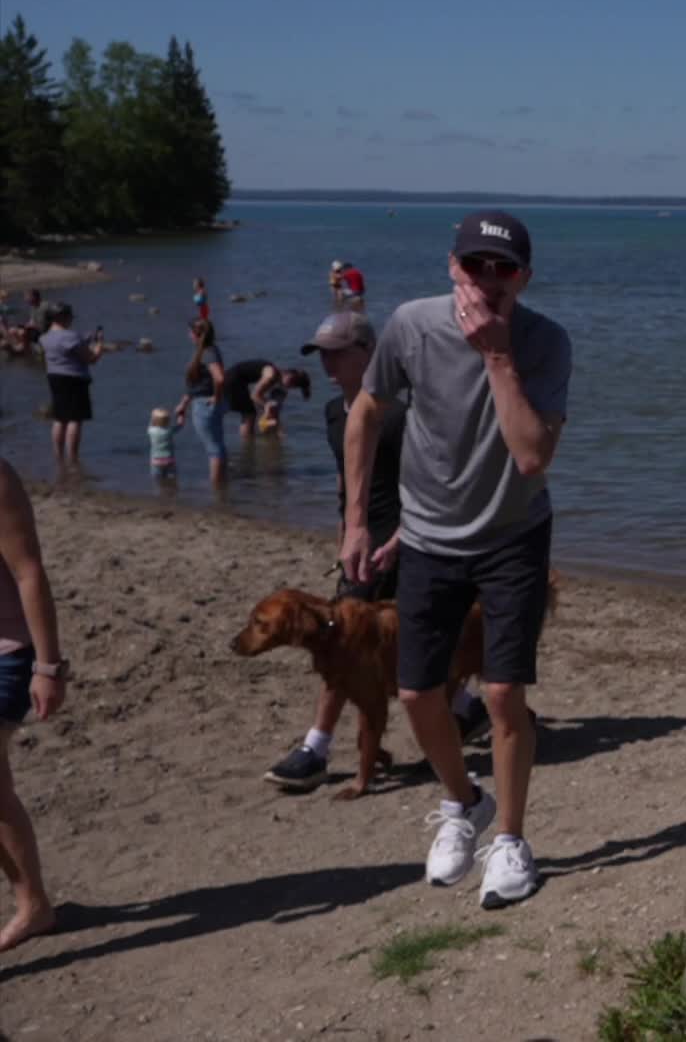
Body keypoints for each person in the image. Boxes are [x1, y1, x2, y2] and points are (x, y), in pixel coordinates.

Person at [341, 210, 569, 908]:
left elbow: (531, 455)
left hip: (513, 535)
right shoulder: (411, 325)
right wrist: (357, 521)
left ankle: (511, 840)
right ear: (452, 266)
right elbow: (365, 412)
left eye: (504, 269)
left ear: (525, 277)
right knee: (416, 693)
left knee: (501, 694)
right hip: (428, 536)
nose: (488, 280)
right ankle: (462, 802)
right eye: (475, 265)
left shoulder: (544, 341)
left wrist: (497, 356)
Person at [264, 311, 491, 791]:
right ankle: (467, 709)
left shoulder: (402, 418)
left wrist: (400, 538)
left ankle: (316, 749)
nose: (327, 362)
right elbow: (348, 484)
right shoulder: (334, 413)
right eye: (321, 353)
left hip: (408, 544)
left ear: (369, 353)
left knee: (355, 645)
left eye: (338, 352)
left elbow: (439, 487)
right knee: (350, 643)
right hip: (362, 548)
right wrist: (347, 533)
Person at [0, 457, 69, 952]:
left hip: (7, 654)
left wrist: (48, 667)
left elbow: (29, 572)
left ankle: (33, 905)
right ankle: (34, 903)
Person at [39, 303, 106, 464]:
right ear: (63, 317)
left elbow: (67, 342)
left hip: (54, 378)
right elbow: (90, 359)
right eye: (70, 317)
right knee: (74, 419)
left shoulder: (45, 337)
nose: (71, 320)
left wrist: (86, 337)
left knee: (59, 418)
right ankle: (73, 459)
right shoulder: (71, 337)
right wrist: (99, 345)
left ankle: (58, 456)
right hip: (74, 379)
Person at [172, 317, 229, 484]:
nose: (188, 334)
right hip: (208, 402)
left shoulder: (207, 353)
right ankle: (222, 485)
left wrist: (216, 397)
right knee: (218, 446)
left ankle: (217, 488)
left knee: (214, 449)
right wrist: (183, 404)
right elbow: (198, 384)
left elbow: (219, 379)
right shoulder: (208, 350)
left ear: (196, 334)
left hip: (205, 405)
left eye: (190, 331)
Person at [225, 360, 312, 438]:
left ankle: (248, 442)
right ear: (287, 373)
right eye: (291, 381)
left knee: (250, 413)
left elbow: (262, 398)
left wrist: (270, 408)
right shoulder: (271, 375)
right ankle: (247, 442)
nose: (289, 386)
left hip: (236, 380)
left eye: (293, 385)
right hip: (232, 380)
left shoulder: (275, 378)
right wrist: (267, 405)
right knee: (249, 414)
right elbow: (254, 395)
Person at [148, 407, 183, 478]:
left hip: (156, 461)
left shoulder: (151, 431)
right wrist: (181, 414)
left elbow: (151, 422)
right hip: (169, 460)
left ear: (154, 420)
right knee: (171, 478)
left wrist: (154, 415)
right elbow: (180, 425)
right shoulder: (169, 431)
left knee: (158, 479)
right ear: (168, 421)